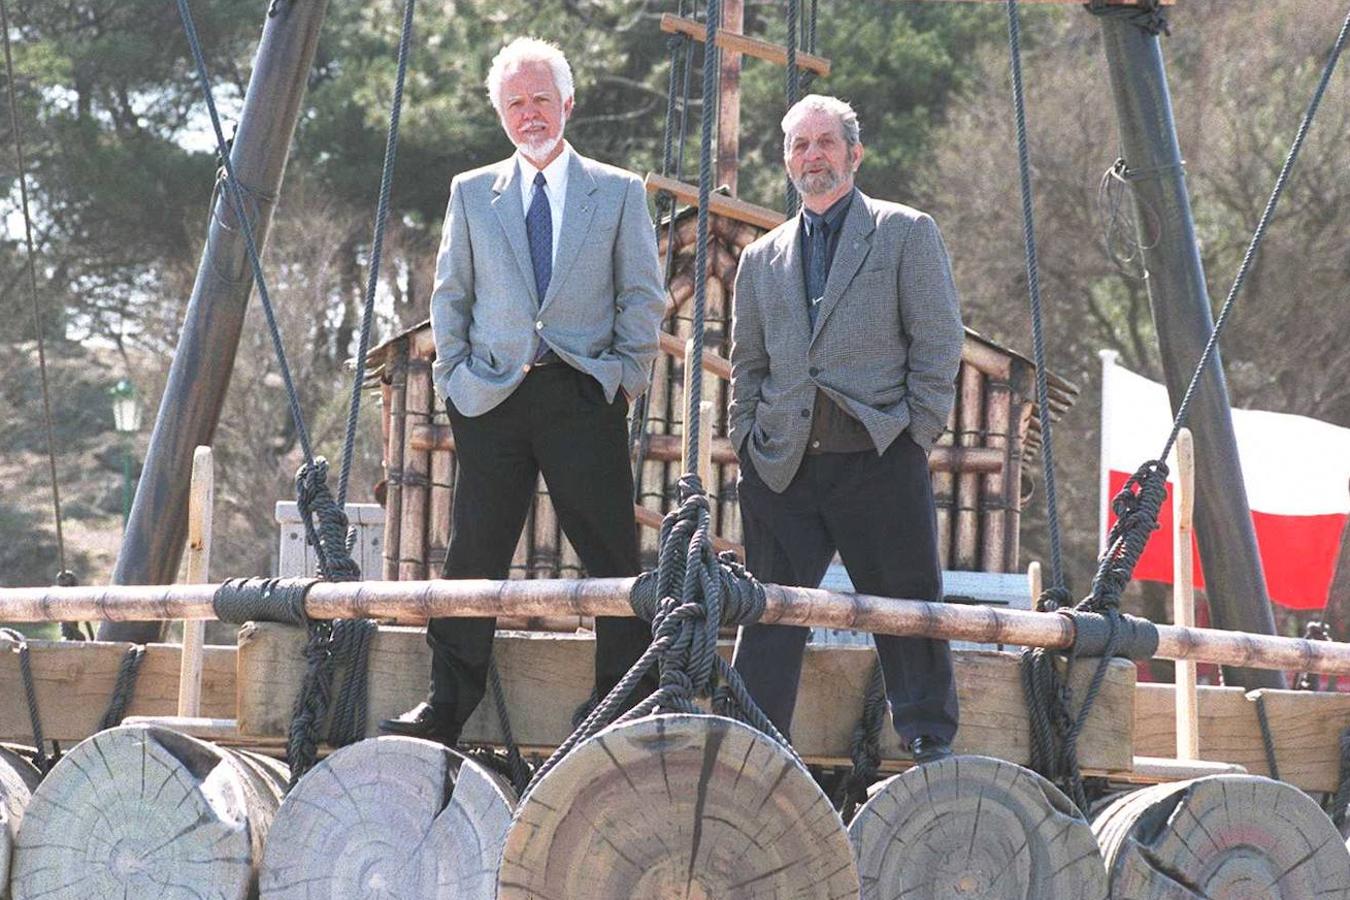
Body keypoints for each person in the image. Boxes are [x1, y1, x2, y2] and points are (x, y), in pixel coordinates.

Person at [381, 37, 664, 746]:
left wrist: (621, 380)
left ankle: (622, 695)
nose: (529, 114)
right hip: (492, 401)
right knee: (472, 554)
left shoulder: (619, 190)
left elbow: (641, 297)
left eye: (541, 99)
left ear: (567, 103)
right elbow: (452, 298)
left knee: (609, 552)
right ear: (501, 114)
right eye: (515, 103)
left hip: (582, 392)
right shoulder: (472, 193)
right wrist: (456, 382)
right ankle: (447, 704)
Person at [728, 94, 964, 763]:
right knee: (771, 611)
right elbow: (747, 363)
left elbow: (939, 340)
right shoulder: (761, 258)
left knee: (908, 603)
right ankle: (754, 735)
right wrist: (747, 436)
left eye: (826, 143)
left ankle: (926, 734)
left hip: (877, 456)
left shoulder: (904, 233)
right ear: (786, 160)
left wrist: (917, 430)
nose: (813, 157)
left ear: (854, 153)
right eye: (800, 146)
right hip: (783, 465)